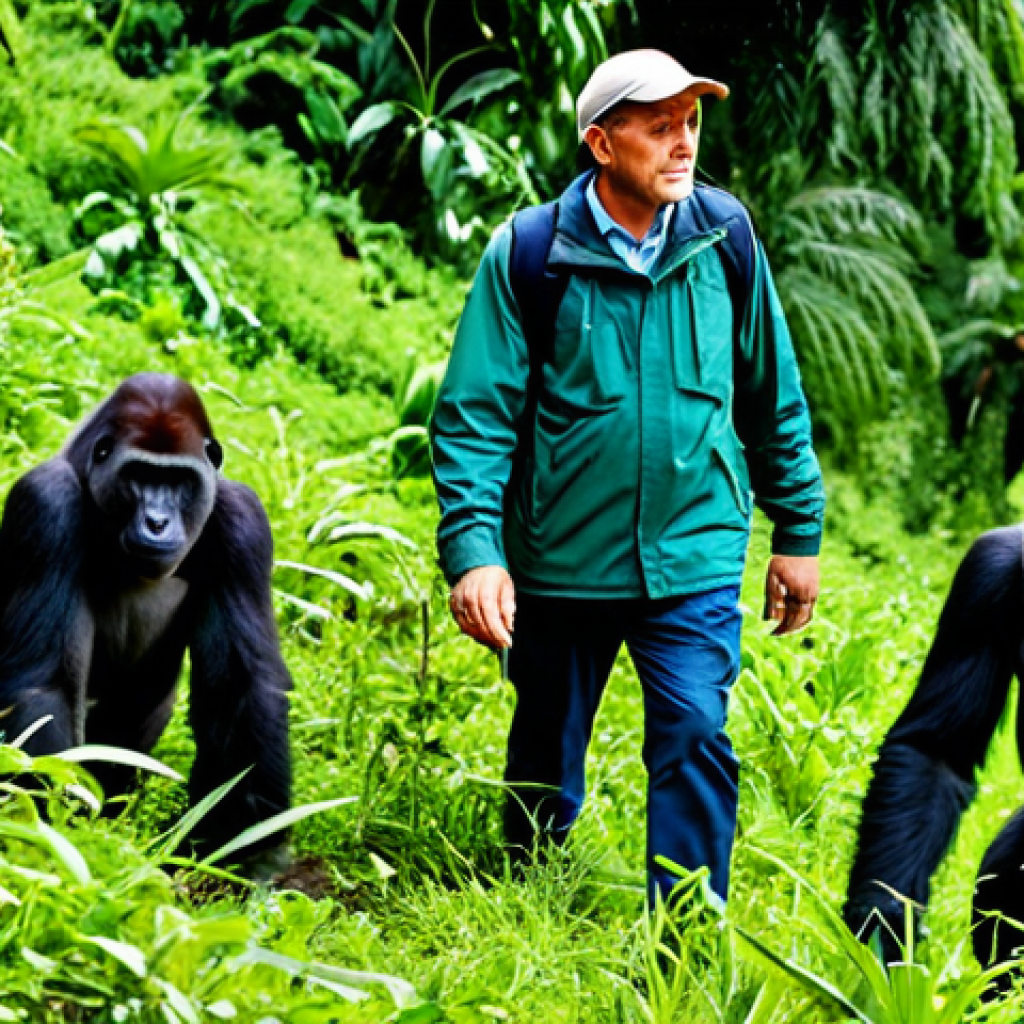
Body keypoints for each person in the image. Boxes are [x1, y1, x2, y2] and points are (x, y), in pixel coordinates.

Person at [429, 49, 825, 906]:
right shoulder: (531, 254)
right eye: (659, 127)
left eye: (690, 123)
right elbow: (475, 417)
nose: (683, 143)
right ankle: (534, 890)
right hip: (562, 559)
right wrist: (474, 553)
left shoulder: (728, 239)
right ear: (603, 146)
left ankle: (683, 934)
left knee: (693, 730)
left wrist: (798, 533)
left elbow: (772, 395)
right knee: (545, 744)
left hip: (695, 553)